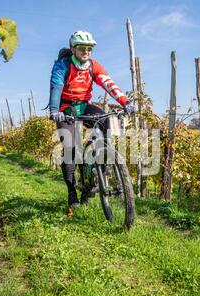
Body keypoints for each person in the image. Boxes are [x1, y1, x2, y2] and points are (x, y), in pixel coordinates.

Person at [47, 30, 136, 215]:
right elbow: (56, 86)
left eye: (89, 48)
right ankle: (72, 193)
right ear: (73, 49)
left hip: (84, 106)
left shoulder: (93, 66)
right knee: (71, 149)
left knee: (106, 120)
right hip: (66, 109)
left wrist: (125, 102)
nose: (86, 51)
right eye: (81, 48)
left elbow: (108, 83)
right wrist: (55, 110)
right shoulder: (62, 65)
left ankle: (97, 166)